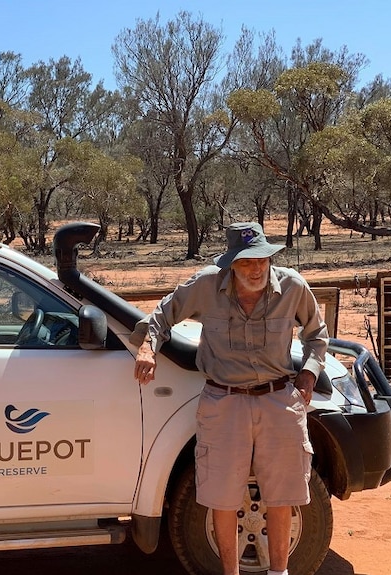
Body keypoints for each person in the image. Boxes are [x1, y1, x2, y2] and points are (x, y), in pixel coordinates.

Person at [132, 222, 328, 575]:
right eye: (245, 262)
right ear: (231, 264)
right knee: (221, 495)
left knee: (283, 494)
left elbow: (317, 333)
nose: (256, 269)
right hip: (223, 402)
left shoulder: (292, 286)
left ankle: (278, 571)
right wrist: (147, 347)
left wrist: (308, 375)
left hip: (278, 400)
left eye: (262, 260)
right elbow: (162, 315)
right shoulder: (206, 285)